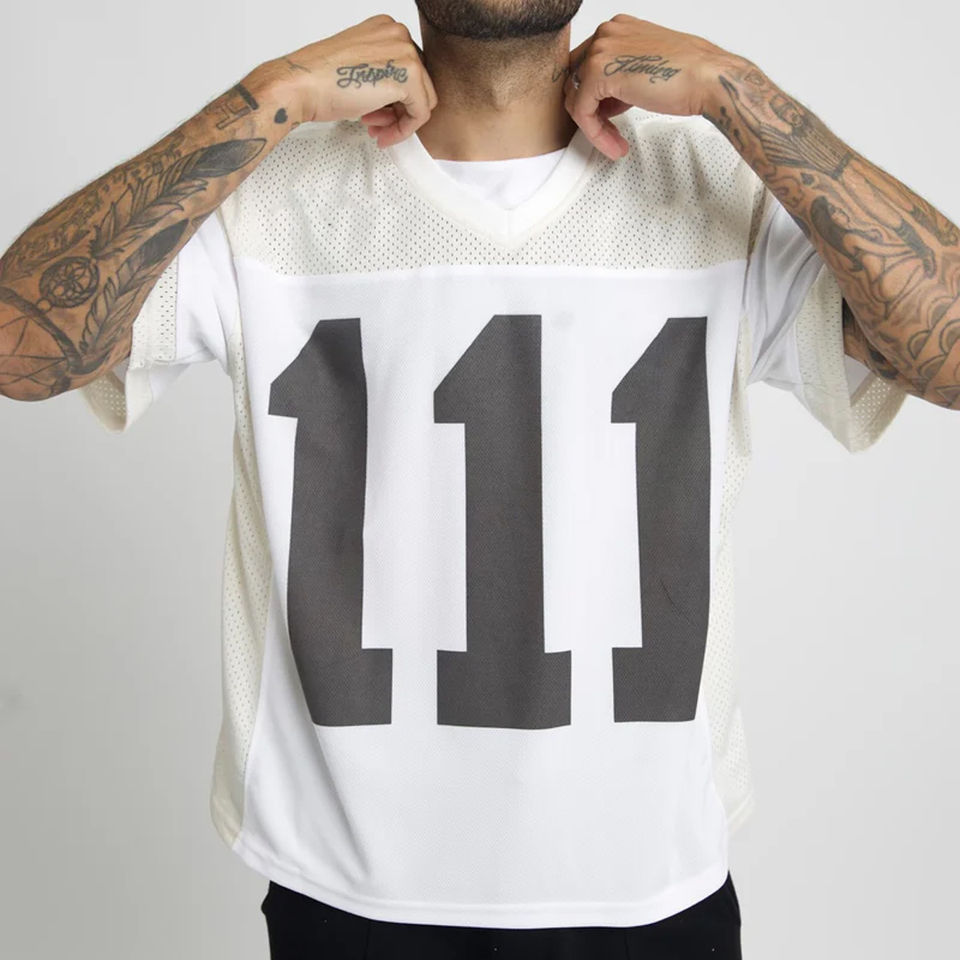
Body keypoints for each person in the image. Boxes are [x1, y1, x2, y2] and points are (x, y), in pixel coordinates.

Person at [1, 1, 954, 957]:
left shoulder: (718, 187)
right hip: (348, 891)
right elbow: (19, 347)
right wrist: (267, 97)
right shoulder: (268, 193)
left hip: (645, 887)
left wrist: (741, 94)